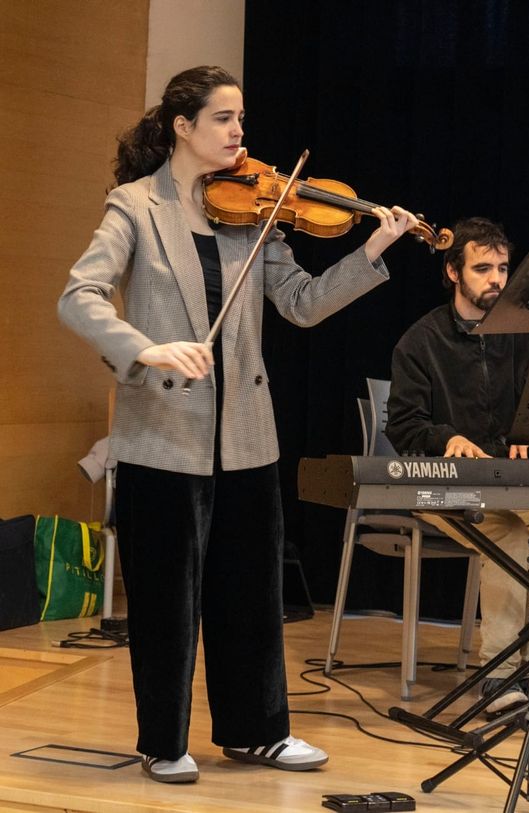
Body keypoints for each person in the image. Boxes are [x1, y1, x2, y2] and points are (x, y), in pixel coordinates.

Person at [57, 66, 418, 784]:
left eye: (242, 120)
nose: (239, 133)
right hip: (163, 428)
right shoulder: (133, 206)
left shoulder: (255, 209)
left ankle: (256, 732)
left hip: (246, 430)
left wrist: (372, 249)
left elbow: (303, 302)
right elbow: (80, 297)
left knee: (249, 592)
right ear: (181, 127)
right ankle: (164, 741)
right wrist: (145, 347)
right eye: (224, 119)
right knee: (165, 598)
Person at [385, 217, 529, 714]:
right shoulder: (420, 341)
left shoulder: (525, 336)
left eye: (503, 268)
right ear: (453, 272)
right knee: (513, 539)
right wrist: (446, 436)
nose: (497, 279)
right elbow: (404, 426)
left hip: (513, 487)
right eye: (483, 268)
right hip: (446, 492)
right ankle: (499, 679)